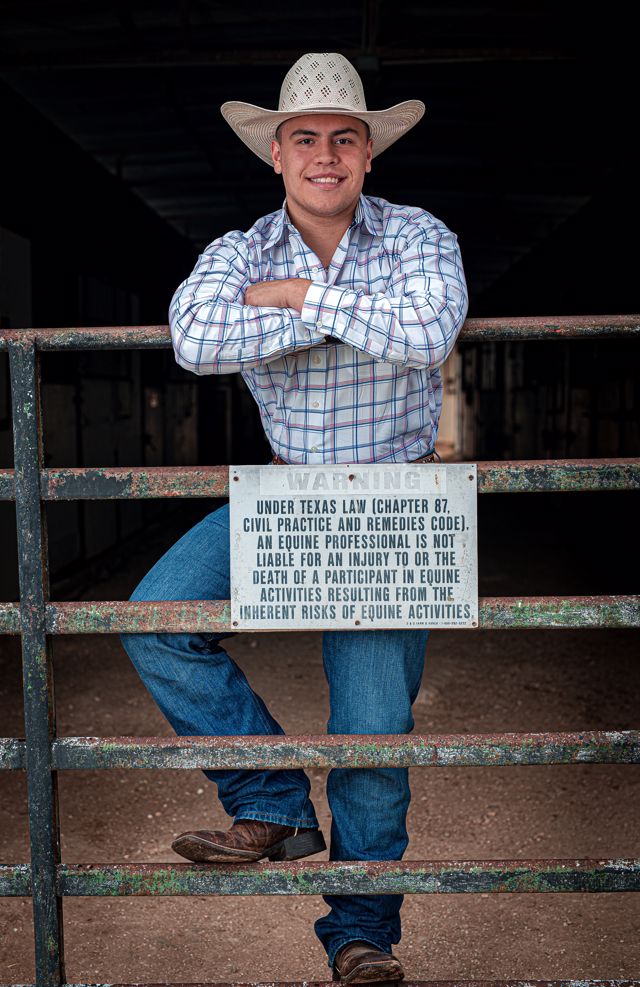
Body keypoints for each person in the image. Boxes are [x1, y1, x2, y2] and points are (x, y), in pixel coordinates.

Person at [120, 52, 468, 984]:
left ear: (368, 153)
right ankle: (271, 797)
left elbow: (429, 332)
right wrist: (348, 312)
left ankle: (361, 934)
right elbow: (195, 338)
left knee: (371, 736)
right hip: (285, 495)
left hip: (392, 506)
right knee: (156, 619)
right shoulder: (239, 249)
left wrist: (295, 299)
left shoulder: (419, 235)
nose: (326, 154)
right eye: (305, 138)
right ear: (275, 154)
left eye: (344, 138)